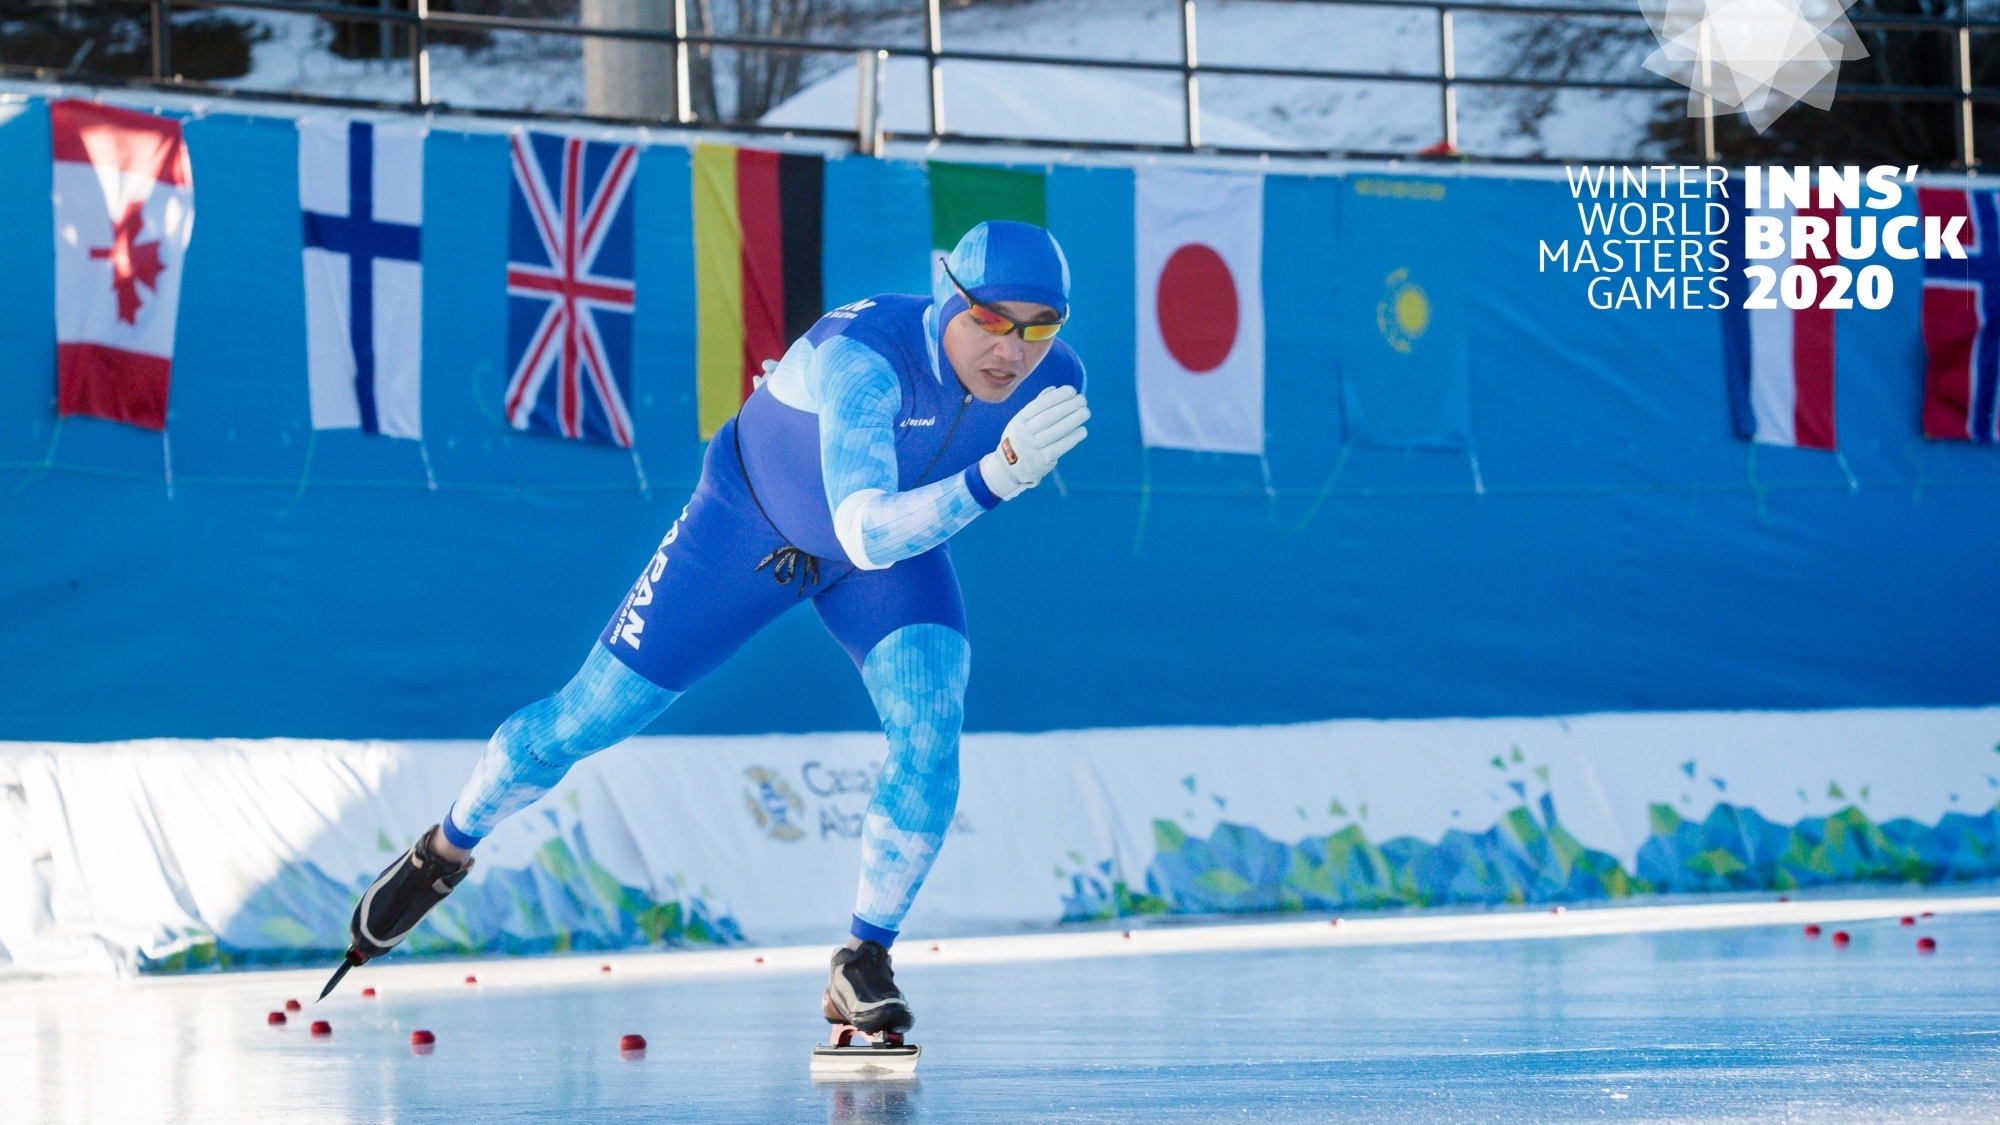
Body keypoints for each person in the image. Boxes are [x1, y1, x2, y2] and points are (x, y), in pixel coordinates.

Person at [328, 221, 1090, 1038]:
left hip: (888, 552)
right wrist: (998, 475)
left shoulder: (1059, 384)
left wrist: (988, 472)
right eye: (990, 319)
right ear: (947, 298)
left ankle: (864, 957)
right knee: (582, 720)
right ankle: (445, 846)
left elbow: (893, 531)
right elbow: (866, 529)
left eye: (1038, 326)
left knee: (933, 727)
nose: (1011, 349)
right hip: (748, 532)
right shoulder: (864, 361)